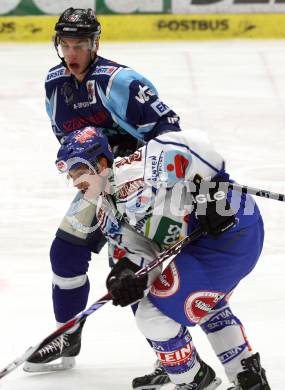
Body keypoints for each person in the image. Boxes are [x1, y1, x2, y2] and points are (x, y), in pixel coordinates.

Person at [23, 7, 180, 374]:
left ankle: (172, 356)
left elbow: (171, 133)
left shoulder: (121, 82)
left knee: (128, 272)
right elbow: (68, 139)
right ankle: (68, 332)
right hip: (100, 184)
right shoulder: (54, 83)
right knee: (65, 253)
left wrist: (134, 166)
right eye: (66, 45)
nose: (72, 54)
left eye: (80, 45)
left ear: (95, 44)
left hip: (142, 187)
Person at [52, 126, 271, 389]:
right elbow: (143, 253)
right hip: (207, 243)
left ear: (100, 163)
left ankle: (193, 381)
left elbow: (192, 144)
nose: (74, 181)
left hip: (233, 229)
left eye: (79, 171)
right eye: (70, 175)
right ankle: (247, 377)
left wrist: (213, 187)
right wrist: (129, 276)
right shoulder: (106, 213)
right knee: (203, 303)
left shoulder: (137, 170)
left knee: (152, 316)